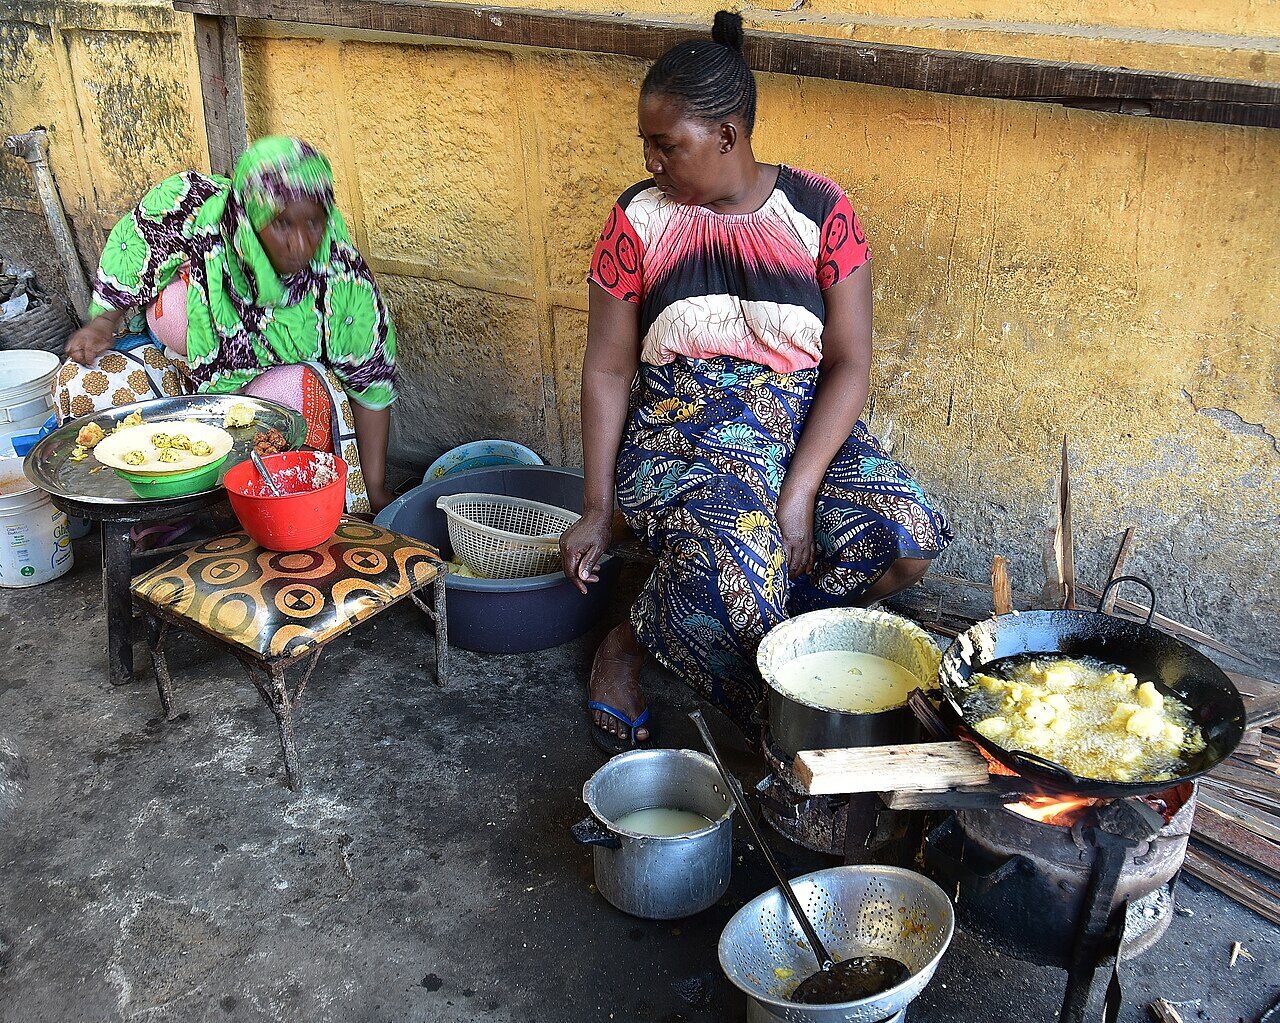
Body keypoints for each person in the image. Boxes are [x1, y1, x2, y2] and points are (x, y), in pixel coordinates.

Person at [560, 12, 953, 752]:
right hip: (682, 426)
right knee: (743, 564)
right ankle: (638, 643)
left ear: (729, 137)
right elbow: (609, 366)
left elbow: (849, 364)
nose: (651, 161)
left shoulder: (821, 212)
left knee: (906, 534)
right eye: (646, 144)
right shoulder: (637, 219)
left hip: (801, 424)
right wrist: (595, 504)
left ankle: (693, 617)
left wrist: (799, 491)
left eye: (667, 145)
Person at [58, 135, 398, 518]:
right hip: (179, 376)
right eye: (282, 223)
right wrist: (103, 321)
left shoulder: (344, 282)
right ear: (250, 215)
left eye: (314, 223)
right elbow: (136, 243)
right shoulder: (195, 213)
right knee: (83, 381)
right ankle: (156, 514)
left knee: (311, 395)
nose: (300, 244)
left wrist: (375, 490)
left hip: (260, 401)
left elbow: (370, 387)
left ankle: (256, 513)